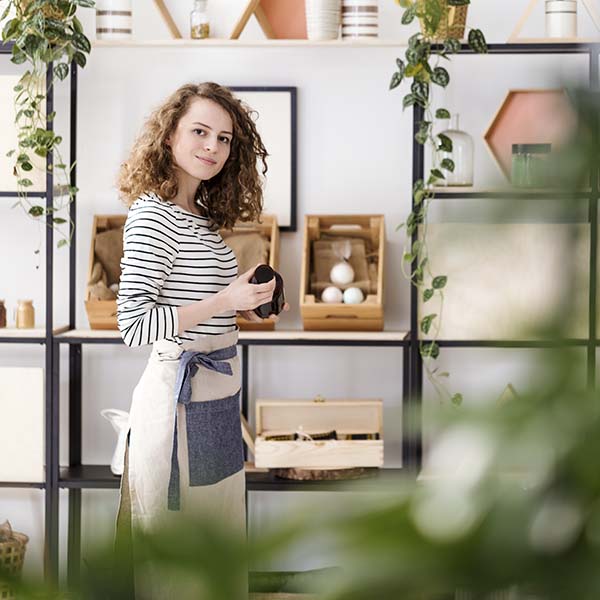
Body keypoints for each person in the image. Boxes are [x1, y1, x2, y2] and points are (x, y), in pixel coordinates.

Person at [114, 82, 287, 598]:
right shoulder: (152, 216)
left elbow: (204, 314)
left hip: (213, 398)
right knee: (181, 568)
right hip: (176, 406)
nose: (213, 147)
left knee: (217, 552)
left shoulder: (201, 219)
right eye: (200, 131)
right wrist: (222, 302)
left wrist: (251, 305)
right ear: (169, 136)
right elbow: (135, 324)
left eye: (225, 138)